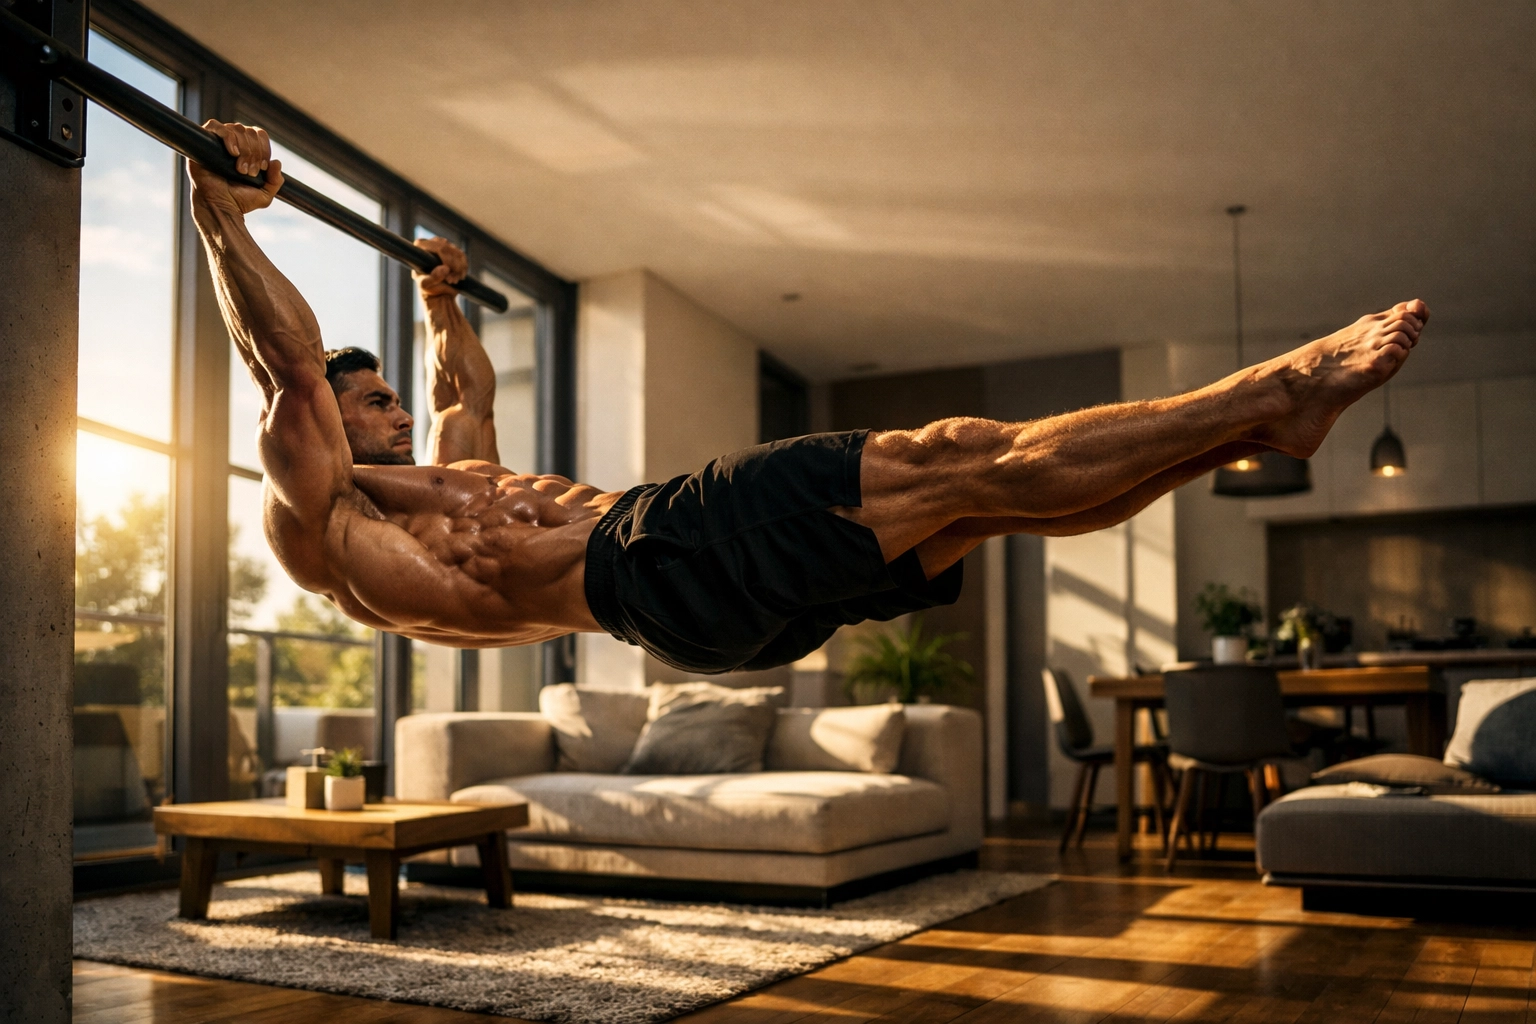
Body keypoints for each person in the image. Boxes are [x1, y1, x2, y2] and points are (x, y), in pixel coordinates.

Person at [191, 120, 1429, 673]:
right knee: (957, 452)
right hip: (649, 558)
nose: (399, 416)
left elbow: (464, 394)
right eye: (375, 409)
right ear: (321, 433)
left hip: (685, 609)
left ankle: (1261, 428)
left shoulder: (448, 480)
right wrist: (217, 213)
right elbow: (288, 365)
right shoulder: (327, 519)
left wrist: (443, 300)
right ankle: (1277, 384)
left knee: (983, 507)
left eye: (396, 401)